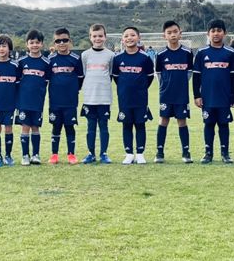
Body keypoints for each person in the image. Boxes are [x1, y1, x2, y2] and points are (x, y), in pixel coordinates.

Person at [192, 19, 234, 164]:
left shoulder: (231, 53)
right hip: (207, 96)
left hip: (224, 97)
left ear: (225, 33)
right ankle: (208, 153)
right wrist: (197, 95)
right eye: (213, 31)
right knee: (209, 124)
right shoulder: (201, 53)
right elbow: (196, 76)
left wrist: (233, 96)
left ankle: (225, 153)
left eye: (219, 30)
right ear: (208, 34)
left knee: (224, 124)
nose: (216, 34)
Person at [111, 26, 154, 164]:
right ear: (122, 40)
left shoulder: (145, 58)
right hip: (124, 98)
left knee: (140, 125)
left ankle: (140, 153)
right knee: (127, 125)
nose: (129, 38)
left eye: (132, 35)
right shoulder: (117, 58)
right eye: (126, 36)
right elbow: (116, 77)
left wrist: (140, 88)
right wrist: (125, 88)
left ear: (138, 37)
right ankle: (129, 154)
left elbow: (149, 77)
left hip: (140, 98)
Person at [154, 20, 194, 164]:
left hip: (181, 94)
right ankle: (159, 152)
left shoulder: (187, 53)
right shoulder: (161, 54)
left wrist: (181, 84)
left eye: (175, 32)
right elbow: (158, 73)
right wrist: (165, 85)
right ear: (164, 35)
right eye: (169, 33)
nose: (173, 35)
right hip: (166, 94)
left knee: (182, 121)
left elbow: (189, 72)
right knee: (163, 120)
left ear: (180, 34)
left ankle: (186, 152)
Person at [47, 28, 84, 165]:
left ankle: (71, 154)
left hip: (70, 101)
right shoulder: (50, 59)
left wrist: (73, 90)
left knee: (70, 127)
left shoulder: (76, 59)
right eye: (58, 41)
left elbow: (80, 78)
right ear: (54, 43)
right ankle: (54, 154)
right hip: (55, 101)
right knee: (56, 127)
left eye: (64, 40)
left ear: (70, 41)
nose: (61, 43)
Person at [80, 23, 115, 164]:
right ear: (90, 37)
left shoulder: (111, 55)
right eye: (94, 36)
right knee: (90, 127)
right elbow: (84, 74)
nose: (97, 38)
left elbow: (110, 74)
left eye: (100, 36)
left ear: (105, 37)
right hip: (89, 97)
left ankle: (104, 154)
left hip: (104, 98)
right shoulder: (85, 55)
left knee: (104, 126)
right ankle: (91, 154)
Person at [16, 29, 51, 165]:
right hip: (23, 101)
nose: (34, 45)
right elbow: (17, 81)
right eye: (31, 43)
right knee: (25, 127)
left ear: (42, 44)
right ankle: (25, 155)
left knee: (35, 127)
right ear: (27, 44)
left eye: (37, 42)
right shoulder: (21, 62)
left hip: (38, 101)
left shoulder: (46, 63)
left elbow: (46, 81)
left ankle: (36, 155)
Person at [0, 34, 20, 167]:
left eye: (4, 46)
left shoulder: (15, 65)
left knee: (8, 128)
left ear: (9, 48)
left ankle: (8, 155)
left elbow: (18, 85)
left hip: (10, 103)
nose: (1, 49)